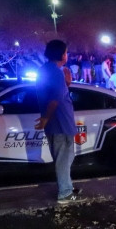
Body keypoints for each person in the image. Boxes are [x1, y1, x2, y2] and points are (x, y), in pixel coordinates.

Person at [35, 39, 81, 204]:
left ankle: (66, 185)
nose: (67, 55)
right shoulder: (55, 72)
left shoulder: (47, 70)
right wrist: (45, 119)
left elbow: (54, 93)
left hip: (59, 123)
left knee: (67, 156)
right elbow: (54, 100)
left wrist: (66, 83)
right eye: (66, 52)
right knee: (64, 157)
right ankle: (65, 193)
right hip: (60, 123)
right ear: (62, 54)